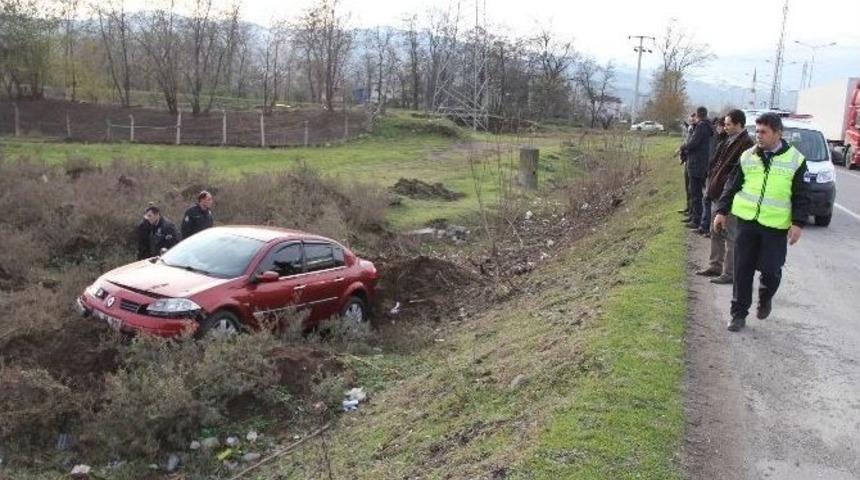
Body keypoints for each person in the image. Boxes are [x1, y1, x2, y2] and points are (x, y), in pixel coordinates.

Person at [714, 112, 810, 332]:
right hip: (746, 223)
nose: (759, 136)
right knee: (742, 269)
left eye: (763, 132)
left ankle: (765, 297)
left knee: (771, 270)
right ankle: (738, 315)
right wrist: (722, 210)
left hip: (775, 227)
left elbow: (802, 195)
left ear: (778, 133)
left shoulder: (795, 160)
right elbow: (732, 185)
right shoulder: (748, 156)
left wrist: (798, 223)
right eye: (756, 131)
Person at [696, 109, 754, 282]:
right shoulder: (729, 139)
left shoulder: (746, 145)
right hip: (718, 194)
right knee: (716, 231)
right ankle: (715, 265)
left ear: (739, 125)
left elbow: (736, 175)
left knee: (730, 235)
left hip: (731, 197)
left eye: (729, 124)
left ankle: (729, 273)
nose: (725, 127)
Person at [681, 107, 714, 229]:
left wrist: (683, 147)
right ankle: (694, 215)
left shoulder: (701, 126)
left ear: (698, 115)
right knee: (694, 192)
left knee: (695, 193)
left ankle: (696, 220)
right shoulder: (707, 126)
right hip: (700, 163)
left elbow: (693, 143)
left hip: (696, 164)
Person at [697, 117, 727, 235]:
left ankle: (709, 228)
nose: (719, 128)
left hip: (717, 176)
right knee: (707, 200)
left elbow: (715, 157)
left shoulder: (724, 140)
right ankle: (706, 226)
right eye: (718, 125)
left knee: (710, 201)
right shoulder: (718, 138)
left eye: (722, 125)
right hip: (712, 172)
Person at [677, 113, 697, 215]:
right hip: (687, 160)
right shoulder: (690, 129)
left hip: (693, 162)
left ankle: (692, 210)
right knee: (687, 187)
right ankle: (688, 208)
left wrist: (683, 147)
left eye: (693, 119)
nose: (692, 121)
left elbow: (690, 144)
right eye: (690, 120)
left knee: (692, 189)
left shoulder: (697, 131)